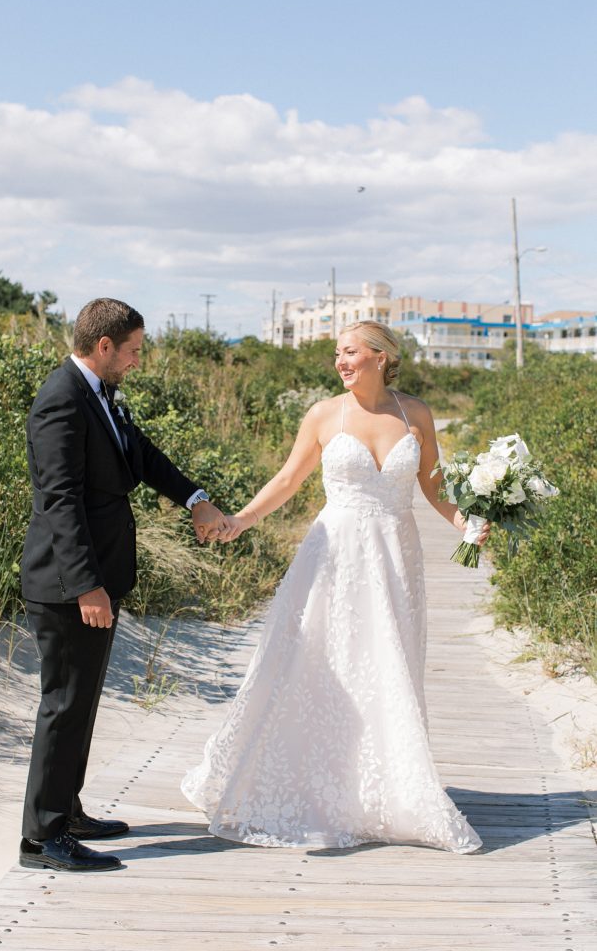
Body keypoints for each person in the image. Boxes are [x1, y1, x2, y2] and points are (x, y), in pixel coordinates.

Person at [182, 320, 488, 854]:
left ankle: (386, 787)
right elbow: (287, 480)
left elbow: (434, 485)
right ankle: (315, 782)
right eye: (337, 355)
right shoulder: (324, 414)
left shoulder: (414, 412)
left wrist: (467, 522)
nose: (340, 362)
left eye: (349, 352)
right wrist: (240, 520)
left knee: (387, 663)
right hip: (334, 556)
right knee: (320, 661)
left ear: (380, 356)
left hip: (396, 557)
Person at [20, 297, 229, 872]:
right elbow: (58, 501)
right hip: (68, 583)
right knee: (63, 706)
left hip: (96, 577)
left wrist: (195, 498)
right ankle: (41, 838)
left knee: (81, 702)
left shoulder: (97, 393)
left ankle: (67, 808)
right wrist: (87, 585)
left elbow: (140, 455)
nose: (139, 360)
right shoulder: (61, 400)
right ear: (105, 346)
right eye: (134, 350)